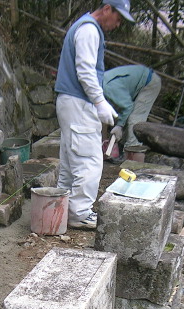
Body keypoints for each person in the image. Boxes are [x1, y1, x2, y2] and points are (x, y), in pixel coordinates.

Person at [55, 0, 135, 230]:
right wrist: (99, 101)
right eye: (118, 18)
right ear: (107, 8)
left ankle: (61, 208)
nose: (117, 24)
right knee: (89, 159)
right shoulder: (89, 30)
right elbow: (86, 71)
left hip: (71, 101)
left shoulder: (83, 26)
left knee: (71, 158)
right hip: (79, 101)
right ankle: (79, 213)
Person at [103, 64, 161, 151]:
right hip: (135, 87)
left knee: (134, 120)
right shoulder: (98, 86)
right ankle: (121, 148)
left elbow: (128, 106)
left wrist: (119, 126)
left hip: (149, 83)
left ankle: (134, 151)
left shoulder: (108, 87)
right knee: (121, 117)